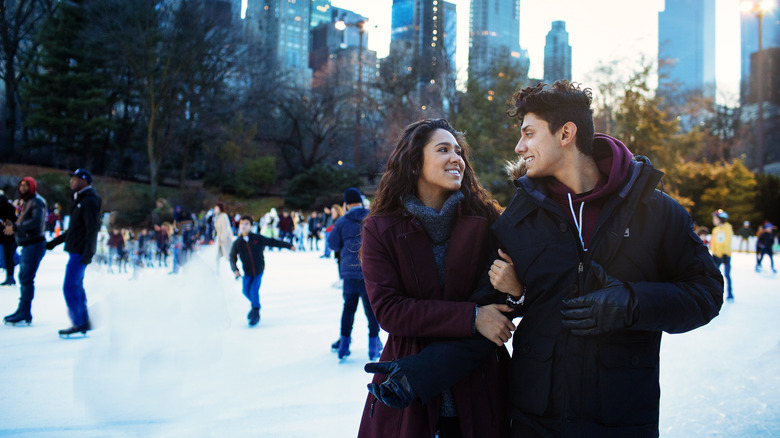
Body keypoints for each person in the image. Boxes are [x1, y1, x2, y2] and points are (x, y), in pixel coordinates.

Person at [365, 81, 724, 438]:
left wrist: (631, 302)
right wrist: (423, 372)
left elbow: (706, 292)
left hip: (621, 416)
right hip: (537, 420)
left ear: (566, 133)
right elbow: (489, 317)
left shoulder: (653, 210)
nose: (519, 147)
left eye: (529, 133)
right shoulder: (517, 221)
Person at [357, 119, 520, 438]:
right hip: (409, 392)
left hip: (482, 389)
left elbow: (507, 298)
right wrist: (472, 318)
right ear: (415, 162)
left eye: (459, 151)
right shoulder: (380, 229)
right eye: (443, 149)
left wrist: (517, 290)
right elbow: (390, 310)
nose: (456, 158)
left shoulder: (487, 220)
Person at [327, 188, 383, 363]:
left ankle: (344, 346)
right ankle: (373, 347)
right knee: (371, 310)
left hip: (349, 273)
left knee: (349, 308)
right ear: (360, 201)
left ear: (346, 204)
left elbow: (333, 244)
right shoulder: (373, 217)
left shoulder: (342, 221)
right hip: (370, 271)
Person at [46, 169, 102, 337]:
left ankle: (79, 322)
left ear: (84, 181)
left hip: (80, 252)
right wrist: (52, 243)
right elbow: (73, 229)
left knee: (70, 286)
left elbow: (92, 229)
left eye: (75, 179)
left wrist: (88, 254)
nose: (71, 182)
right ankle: (83, 321)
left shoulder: (89, 201)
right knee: (76, 286)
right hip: (76, 250)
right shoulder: (80, 199)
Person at [229, 215, 295, 326]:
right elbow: (232, 257)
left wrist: (288, 246)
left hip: (258, 270)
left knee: (254, 290)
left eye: (246, 224)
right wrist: (235, 269)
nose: (243, 226)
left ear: (251, 226)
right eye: (241, 224)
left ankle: (256, 310)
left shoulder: (257, 238)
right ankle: (255, 305)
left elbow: (272, 242)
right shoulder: (238, 243)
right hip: (247, 272)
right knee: (245, 291)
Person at [3, 177, 47, 325]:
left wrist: (15, 228)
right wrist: (13, 224)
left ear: (32, 186)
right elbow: (25, 221)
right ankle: (23, 310)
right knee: (24, 277)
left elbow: (35, 222)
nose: (22, 188)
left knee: (26, 278)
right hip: (28, 243)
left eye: (25, 185)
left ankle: (24, 311)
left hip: (34, 244)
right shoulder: (27, 201)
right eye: (20, 185)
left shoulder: (36, 201)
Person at [711, 209, 734, 301]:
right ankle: (713, 292)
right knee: (714, 275)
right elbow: (714, 242)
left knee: (727, 274)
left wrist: (723, 253)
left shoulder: (727, 228)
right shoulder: (715, 230)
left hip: (725, 255)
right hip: (716, 255)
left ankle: (730, 292)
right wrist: (714, 252)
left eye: (715, 218)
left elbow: (727, 241)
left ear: (720, 219)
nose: (713, 220)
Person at [0, 191, 17, 286]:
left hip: (6, 237)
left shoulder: (3, 211)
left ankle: (9, 278)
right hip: (13, 238)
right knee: (10, 258)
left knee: (7, 258)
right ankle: (10, 277)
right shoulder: (11, 209)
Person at [213, 202, 234, 274]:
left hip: (225, 240)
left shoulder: (223, 216)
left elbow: (225, 229)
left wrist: (222, 239)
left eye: (216, 208)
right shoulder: (217, 216)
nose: (215, 210)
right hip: (220, 240)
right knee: (217, 256)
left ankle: (234, 271)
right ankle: (217, 270)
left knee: (229, 256)